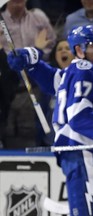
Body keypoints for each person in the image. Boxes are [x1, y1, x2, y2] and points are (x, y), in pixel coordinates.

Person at [7, 25, 93, 216]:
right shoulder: (84, 69)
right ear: (79, 50)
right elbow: (78, 113)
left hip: (86, 151)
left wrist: (32, 61)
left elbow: (55, 80)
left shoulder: (82, 71)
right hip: (84, 148)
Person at [0, 0, 56, 148]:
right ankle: (4, 138)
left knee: (49, 89)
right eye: (14, 1)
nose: (18, 4)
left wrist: (36, 52)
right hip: (7, 70)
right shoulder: (1, 20)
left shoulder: (38, 17)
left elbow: (50, 42)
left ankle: (44, 140)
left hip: (36, 66)